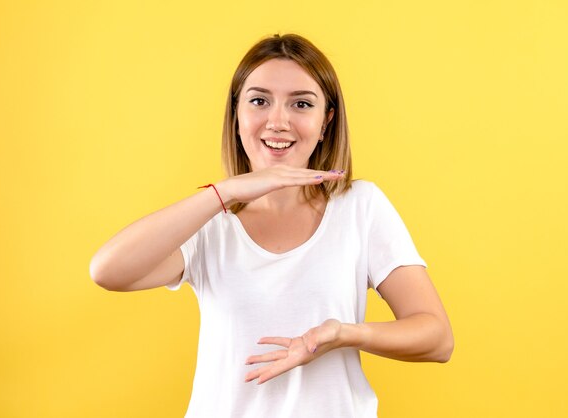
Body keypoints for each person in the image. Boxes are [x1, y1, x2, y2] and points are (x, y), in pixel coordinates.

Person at [89, 33, 454, 418]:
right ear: (237, 116)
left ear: (326, 121)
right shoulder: (210, 223)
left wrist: (342, 334)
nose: (278, 121)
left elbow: (436, 339)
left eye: (301, 103)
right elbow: (107, 271)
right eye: (259, 101)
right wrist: (224, 192)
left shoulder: (359, 207)